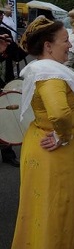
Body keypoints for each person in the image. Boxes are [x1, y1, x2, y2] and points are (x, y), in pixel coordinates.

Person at [11, 16, 74, 249]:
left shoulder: (47, 70)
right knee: (56, 212)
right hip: (56, 154)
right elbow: (59, 113)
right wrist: (62, 136)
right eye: (65, 40)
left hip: (45, 147)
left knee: (43, 211)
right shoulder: (50, 74)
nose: (70, 45)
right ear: (48, 46)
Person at [0, 22, 20, 167]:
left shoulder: (4, 31)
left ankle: (8, 155)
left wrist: (15, 45)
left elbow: (17, 56)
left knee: (6, 119)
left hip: (5, 82)